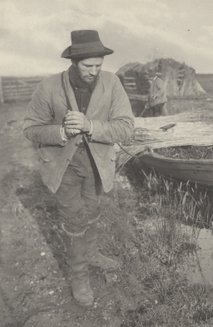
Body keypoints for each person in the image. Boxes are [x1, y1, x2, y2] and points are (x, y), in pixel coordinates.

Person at [23, 30, 135, 307]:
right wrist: (61, 132)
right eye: (88, 66)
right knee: (74, 220)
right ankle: (79, 277)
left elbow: (126, 127)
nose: (94, 72)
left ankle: (93, 253)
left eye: (99, 65)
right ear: (74, 62)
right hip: (64, 165)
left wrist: (91, 126)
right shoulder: (49, 87)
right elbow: (30, 129)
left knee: (93, 210)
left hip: (97, 163)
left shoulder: (112, 83)